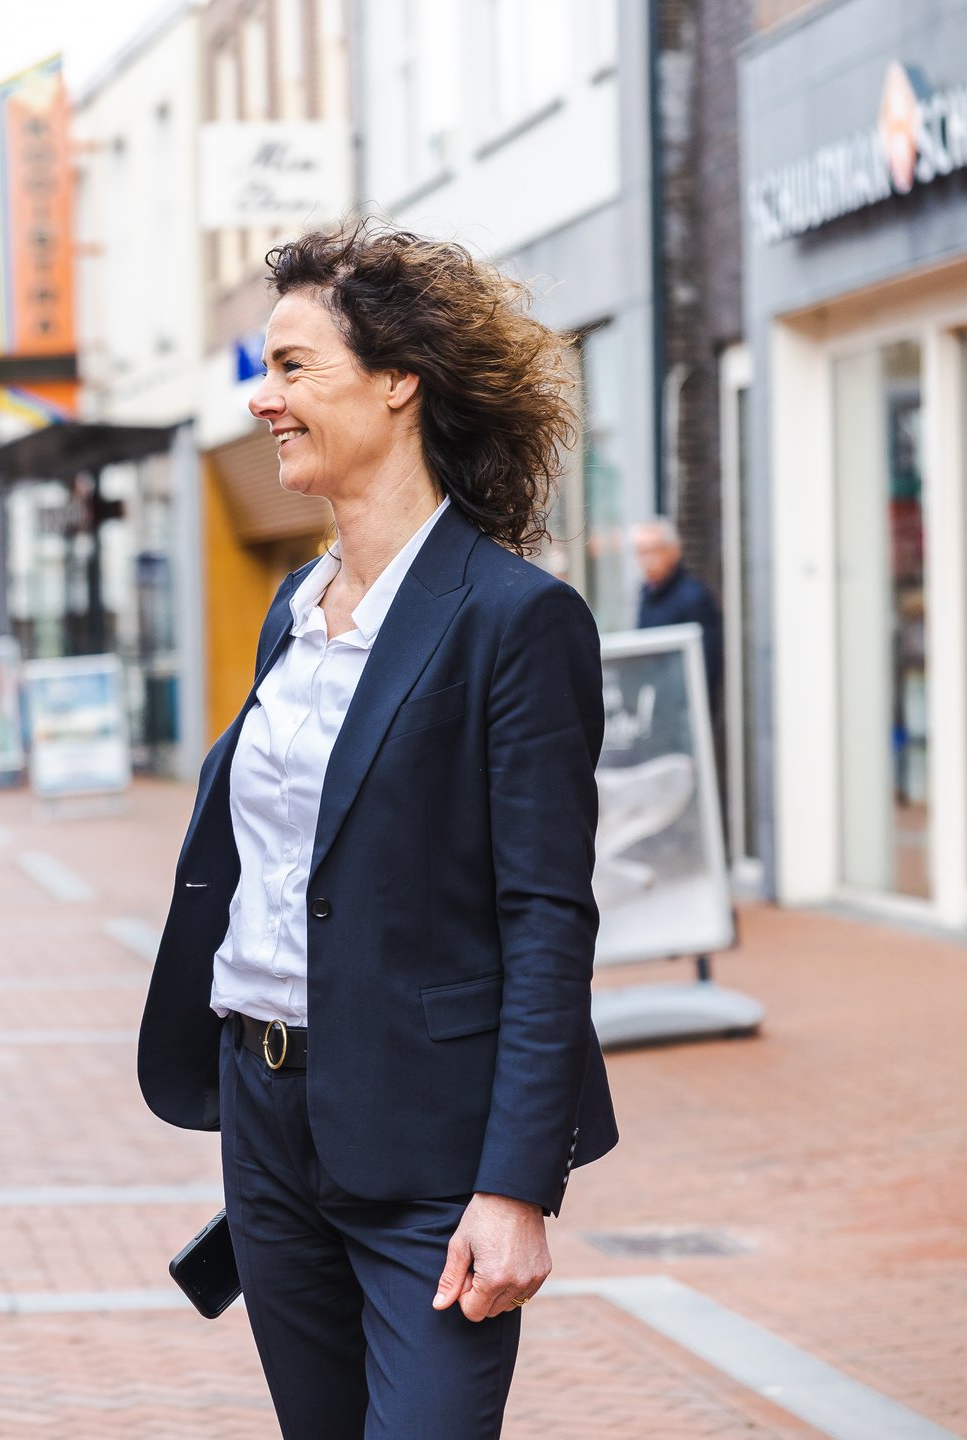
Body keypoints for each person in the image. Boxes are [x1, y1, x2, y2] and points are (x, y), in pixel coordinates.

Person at [136, 219, 617, 1439]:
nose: (265, 398)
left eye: (294, 367)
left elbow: (548, 920)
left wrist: (516, 1186)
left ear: (399, 381)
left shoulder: (515, 620)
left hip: (431, 1142)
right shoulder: (292, 616)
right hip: (267, 1117)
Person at [633, 517, 725, 709]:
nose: (647, 560)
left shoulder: (693, 596)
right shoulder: (646, 595)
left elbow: (707, 664)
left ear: (674, 551)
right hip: (655, 705)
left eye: (653, 550)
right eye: (641, 553)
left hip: (684, 708)